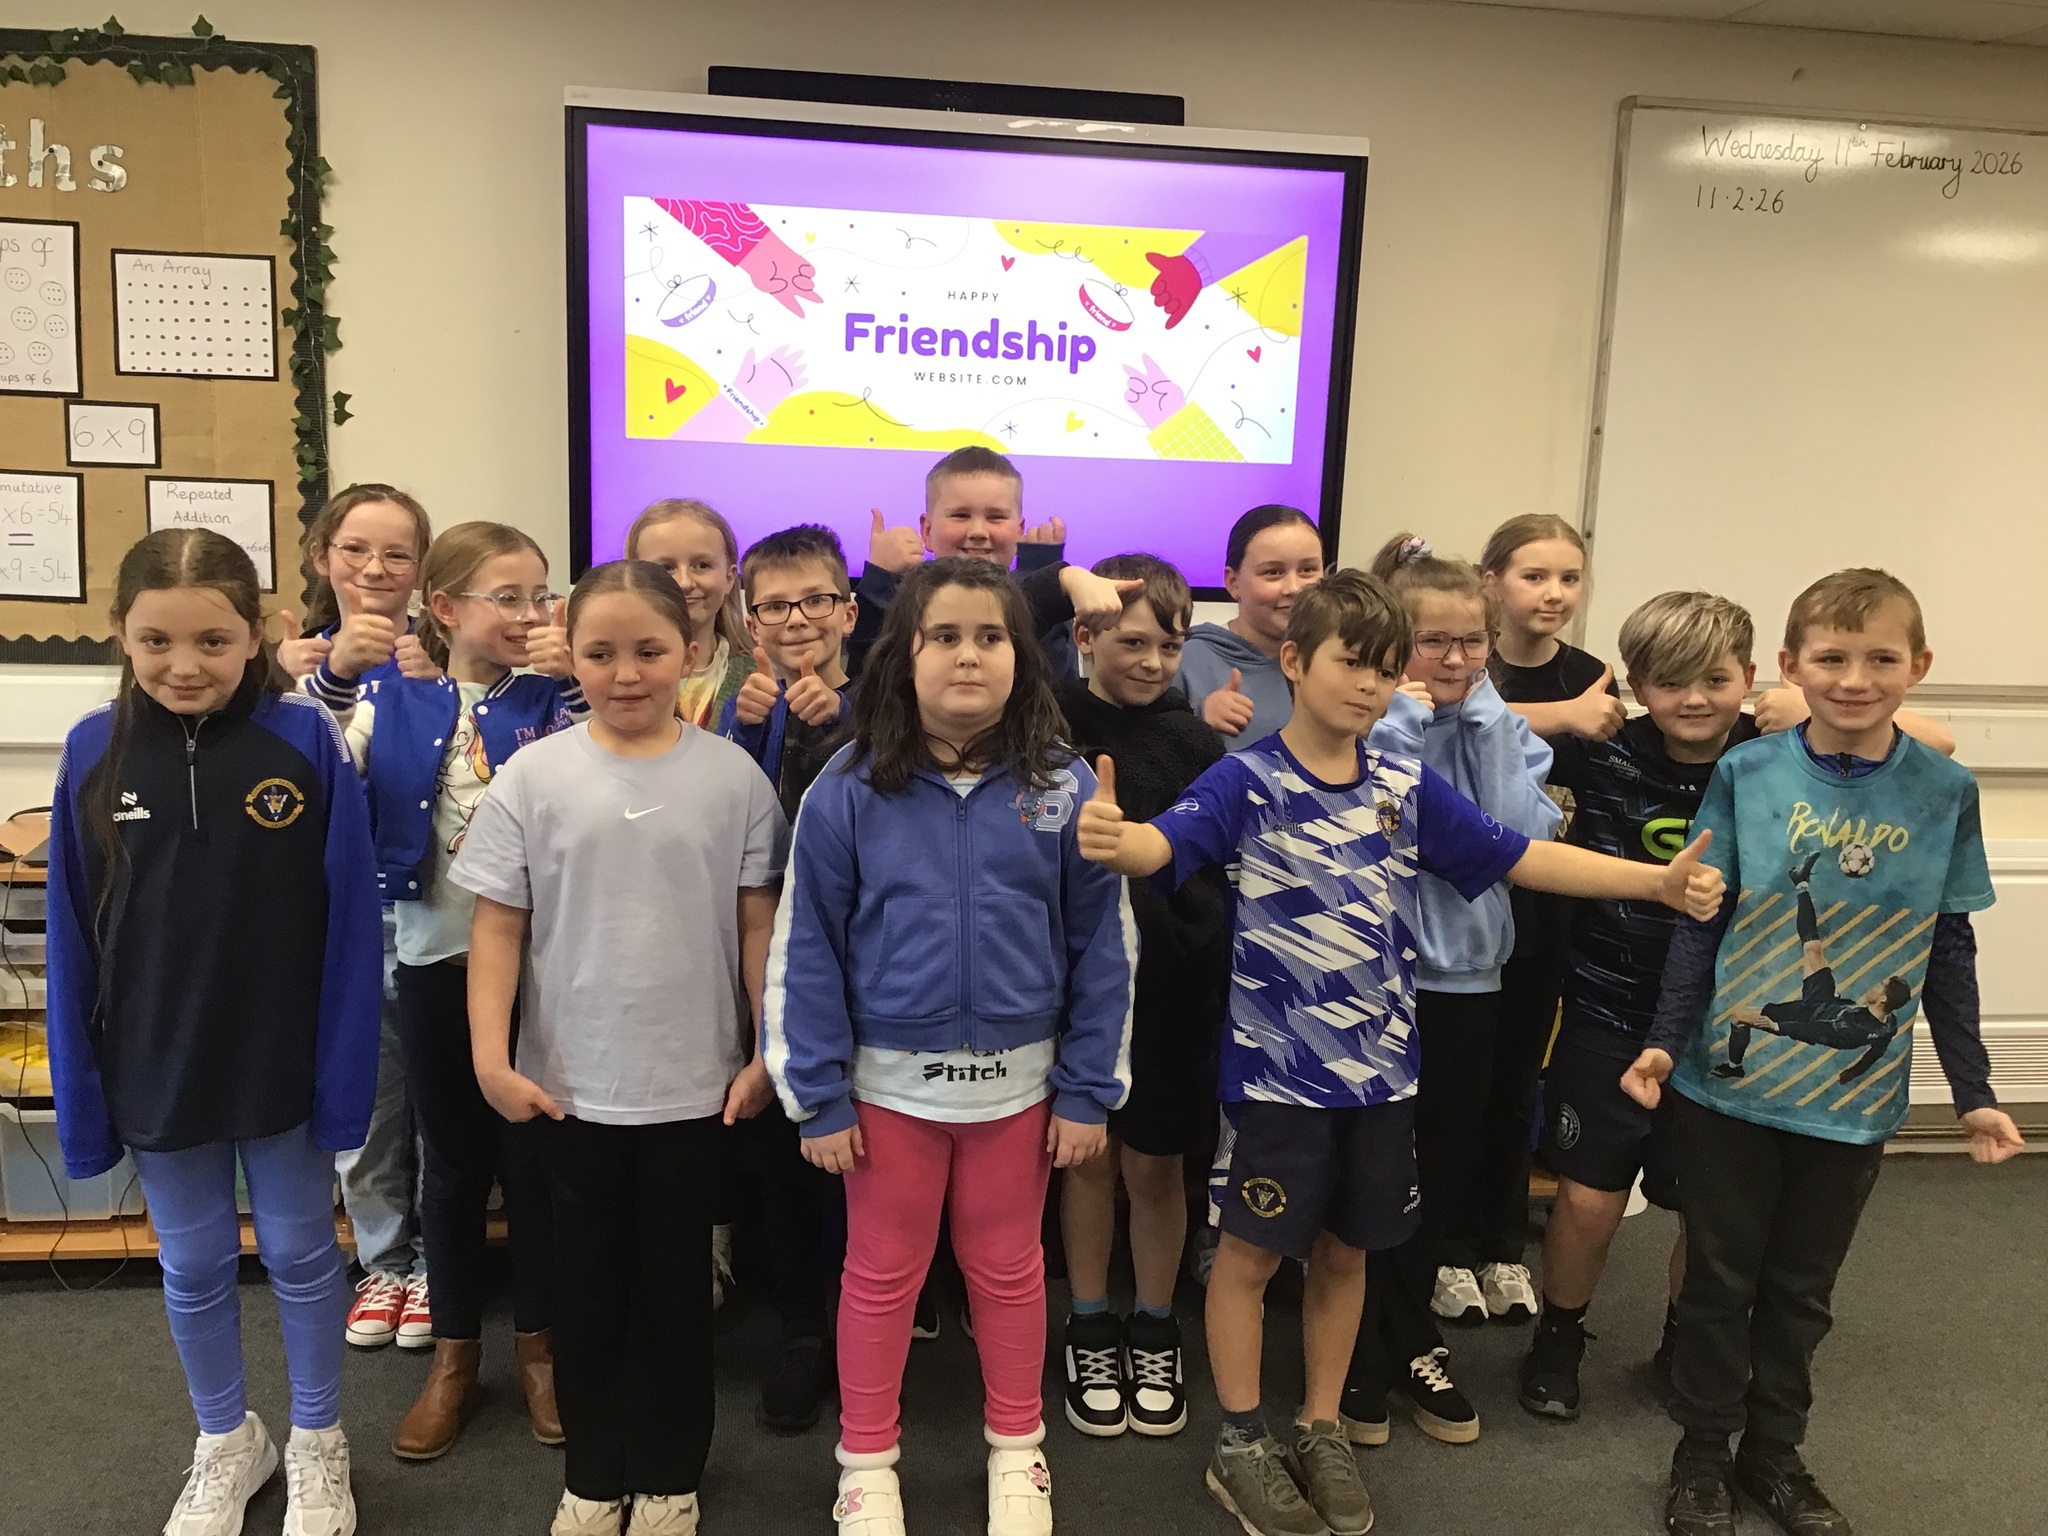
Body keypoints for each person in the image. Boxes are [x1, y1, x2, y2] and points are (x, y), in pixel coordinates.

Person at [1077, 568, 1726, 1536]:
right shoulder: (1245, 780)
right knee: (1250, 1259)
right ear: (1294, 662)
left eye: (1385, 670)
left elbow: (1520, 856)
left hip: (1381, 1081)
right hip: (1276, 1084)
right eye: (1350, 663)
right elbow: (1159, 849)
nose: (1370, 686)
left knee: (1346, 1255)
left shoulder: (1401, 784)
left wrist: (1655, 883)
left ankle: (1320, 1426)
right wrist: (1114, 836)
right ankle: (1241, 1440)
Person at [1625, 569, 2024, 1536]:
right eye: (1832, 658)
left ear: (1917, 667)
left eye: (1880, 658)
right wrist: (1664, 1043)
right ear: (1792, 666)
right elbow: (1698, 921)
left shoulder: (1945, 793)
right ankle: (1702, 1455)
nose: (1855, 679)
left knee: (1802, 1294)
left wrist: (1973, 1089)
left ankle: (1774, 1456)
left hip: (1853, 1105)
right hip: (1731, 1090)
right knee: (1719, 1283)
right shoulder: (1747, 773)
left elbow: (1951, 948)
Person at [764, 557, 1135, 1536]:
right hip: (885, 1096)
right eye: (944, 636)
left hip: (1019, 1093)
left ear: (1022, 657)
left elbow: (1103, 946)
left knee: (1009, 1272)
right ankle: (865, 1464)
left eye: (990, 637)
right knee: (880, 1277)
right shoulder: (846, 788)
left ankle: (1017, 1449)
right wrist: (817, 1094)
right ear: (904, 655)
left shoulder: (1061, 787)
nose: (968, 655)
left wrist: (1088, 1089)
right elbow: (805, 946)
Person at [44, 528, 383, 1536]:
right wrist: (85, 1090)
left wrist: (343, 1073)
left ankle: (317, 1438)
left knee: (300, 1252)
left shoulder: (306, 740)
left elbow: (350, 924)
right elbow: (70, 932)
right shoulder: (90, 751)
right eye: (156, 641)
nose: (184, 665)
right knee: (191, 1265)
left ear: (259, 634)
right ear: (120, 632)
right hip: (156, 1056)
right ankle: (227, 1438)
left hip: (279, 1053)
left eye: (212, 641)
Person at [454, 559, 789, 1536]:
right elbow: (497, 927)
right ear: (570, 650)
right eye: (600, 653)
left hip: (694, 1089)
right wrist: (490, 1058)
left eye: (650, 651)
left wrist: (766, 1047)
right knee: (586, 1290)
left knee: (677, 1292)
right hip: (571, 1089)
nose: (626, 673)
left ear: (691, 652)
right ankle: (594, 1476)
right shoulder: (535, 776)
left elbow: (758, 924)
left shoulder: (731, 777)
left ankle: (672, 1472)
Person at [325, 522, 581, 1460]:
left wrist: (580, 679)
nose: (529, 614)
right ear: (443, 607)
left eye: (540, 596)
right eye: (506, 597)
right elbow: (323, 762)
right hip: (435, 961)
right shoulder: (392, 697)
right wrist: (332, 677)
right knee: (454, 1165)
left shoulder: (560, 699)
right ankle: (456, 1359)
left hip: (547, 971)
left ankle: (541, 1352)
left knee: (537, 1165)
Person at [1515, 591, 1762, 1421]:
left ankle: (1681, 1344)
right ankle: (1559, 1336)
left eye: (1715, 680)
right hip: (1608, 1006)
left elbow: (1927, 745)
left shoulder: (1773, 757)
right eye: (1670, 682)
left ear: (1749, 678)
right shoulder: (1604, 750)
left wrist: (1800, 707)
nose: (1693, 699)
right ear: (1636, 684)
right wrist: (1567, 715)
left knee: (1705, 1206)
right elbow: (1470, 724)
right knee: (1589, 1197)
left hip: (1726, 1022)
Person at [1341, 535, 1561, 1450]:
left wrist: (1484, 723)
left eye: (1474, 640)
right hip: (1378, 982)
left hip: (1471, 982)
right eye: (1434, 642)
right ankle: (1361, 1346)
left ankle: (1412, 1339)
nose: (1458, 659)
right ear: (1396, 648)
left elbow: (1508, 839)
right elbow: (1395, 824)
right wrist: (1404, 719)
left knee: (1441, 1166)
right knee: (1370, 1172)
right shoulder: (1363, 726)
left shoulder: (1503, 731)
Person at [1052, 555, 1230, 1441]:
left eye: (1171, 644)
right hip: (1072, 991)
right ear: (1085, 638)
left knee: (1155, 1165)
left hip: (1171, 989)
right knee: (1086, 1159)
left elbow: (1213, 870)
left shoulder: (1196, 743)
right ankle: (1089, 1320)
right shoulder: (1047, 725)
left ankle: (1153, 1323)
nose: (1154, 661)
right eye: (1132, 642)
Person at [278, 483, 438, 1349]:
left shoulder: (447, 654)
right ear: (321, 556)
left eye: (398, 553)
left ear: (423, 569)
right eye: (355, 550)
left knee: (440, 1095)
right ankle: (384, 1261)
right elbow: (297, 781)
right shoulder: (288, 666)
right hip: (344, 915)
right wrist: (324, 675)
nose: (376, 569)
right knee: (367, 1098)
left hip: (437, 908)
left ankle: (439, 1264)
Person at [718, 523, 860, 1431]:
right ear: (750, 620)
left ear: (849, 611)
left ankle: (861, 1321)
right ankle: (802, 1326)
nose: (797, 619)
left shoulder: (884, 707)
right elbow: (726, 827)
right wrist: (745, 730)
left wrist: (839, 726)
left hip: (861, 963)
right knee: (780, 1152)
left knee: (853, 1149)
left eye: (815, 600)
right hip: (763, 952)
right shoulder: (744, 708)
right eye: (775, 606)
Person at [1466, 513, 1618, 1330]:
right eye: (1534, 576)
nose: (1554, 593)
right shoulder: (1464, 663)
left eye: (1569, 577)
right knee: (1459, 1081)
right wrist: (1560, 718)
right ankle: (1446, 1242)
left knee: (1517, 1079)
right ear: (1492, 580)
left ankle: (1499, 1242)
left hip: (1549, 909)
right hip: (1464, 911)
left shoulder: (1593, 676)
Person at [850, 445, 1137, 682]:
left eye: (996, 517)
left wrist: (1043, 575)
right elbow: (870, 682)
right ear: (927, 530)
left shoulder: (1028, 592)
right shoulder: (905, 599)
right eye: (961, 515)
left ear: (1019, 531)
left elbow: (1054, 686)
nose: (978, 531)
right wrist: (879, 580)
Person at [1175, 505, 1326, 748]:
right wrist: (1197, 721)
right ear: (1233, 582)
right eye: (1273, 572)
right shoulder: (1184, 662)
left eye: (1308, 570)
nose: (1294, 588)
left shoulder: (1335, 663)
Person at [624, 498, 756, 733]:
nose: (684, 582)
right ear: (632, 578)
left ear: (729, 577)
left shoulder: (758, 677)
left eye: (702, 565)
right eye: (666, 568)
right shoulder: (612, 676)